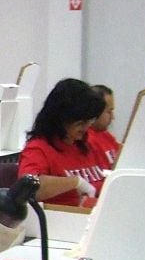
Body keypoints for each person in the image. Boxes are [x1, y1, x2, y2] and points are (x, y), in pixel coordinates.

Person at [18, 78, 107, 207]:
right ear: (61, 119)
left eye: (90, 120)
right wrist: (75, 182)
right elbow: (28, 187)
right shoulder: (38, 149)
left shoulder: (85, 143)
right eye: (80, 122)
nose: (86, 127)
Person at [86, 84, 120, 169]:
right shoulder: (87, 140)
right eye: (109, 112)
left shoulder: (105, 135)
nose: (113, 117)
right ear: (95, 111)